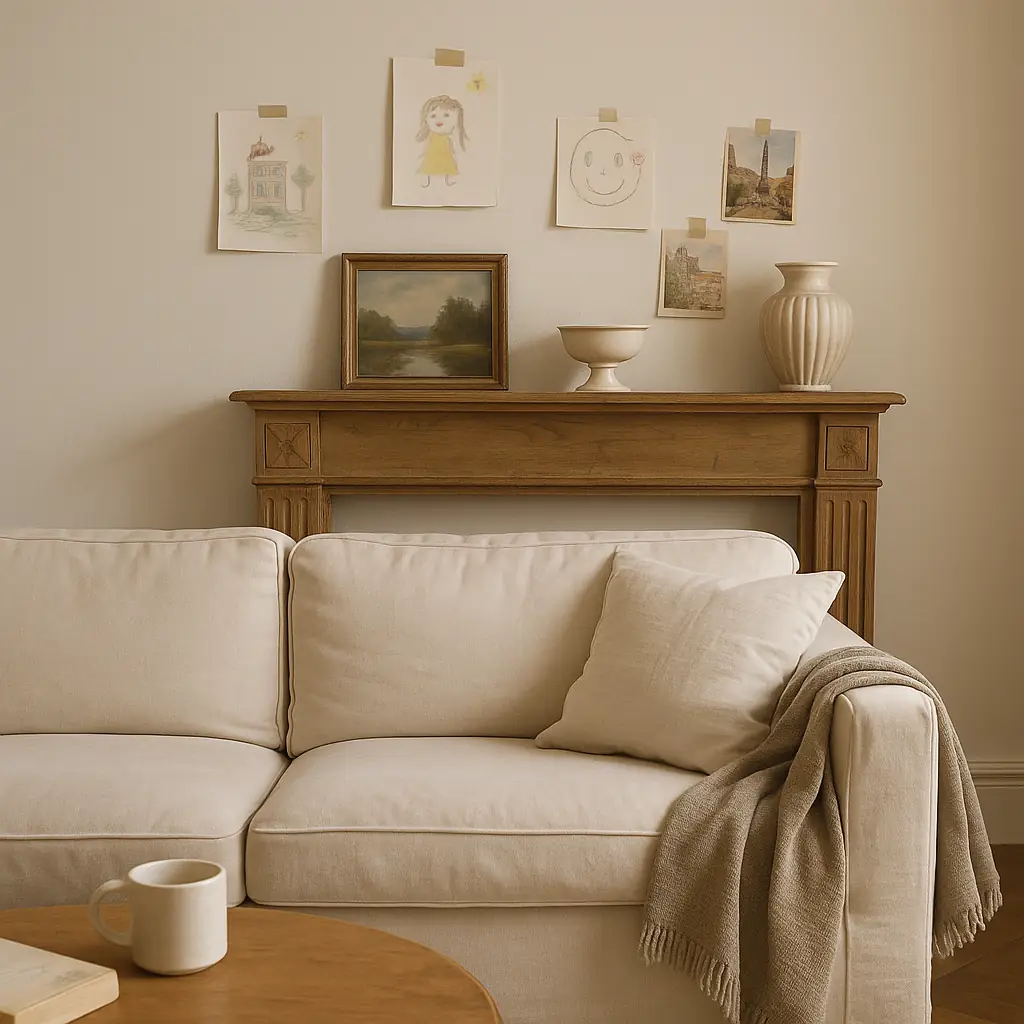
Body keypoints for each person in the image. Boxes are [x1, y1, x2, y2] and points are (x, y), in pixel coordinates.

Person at [415, 94, 468, 187]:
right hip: (431, 157)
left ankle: (448, 181)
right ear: (426, 120)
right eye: (433, 116)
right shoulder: (430, 137)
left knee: (448, 167)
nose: (439, 120)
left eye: (446, 115)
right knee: (429, 166)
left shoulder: (450, 137)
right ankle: (427, 181)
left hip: (446, 157)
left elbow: (455, 149)